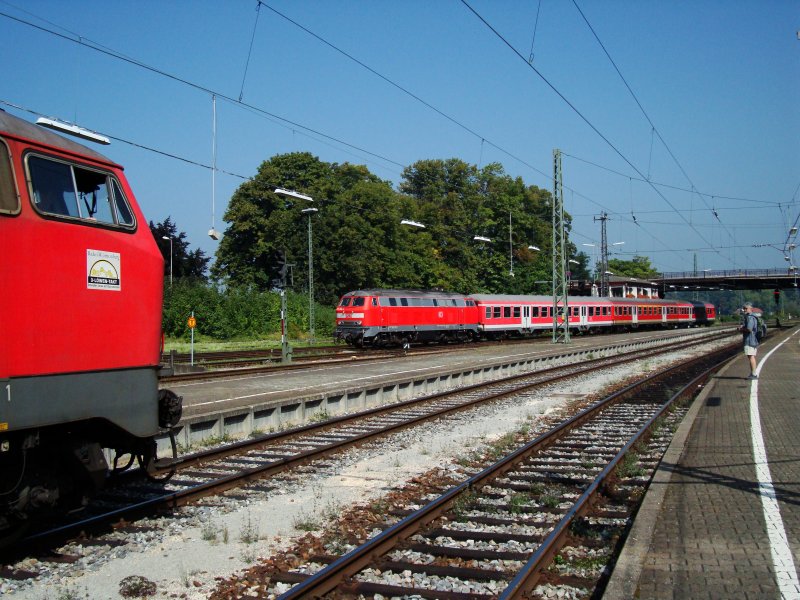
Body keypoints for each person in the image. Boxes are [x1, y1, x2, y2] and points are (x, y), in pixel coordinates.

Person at [740, 302, 759, 379]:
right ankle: (752, 373)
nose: (744, 310)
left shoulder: (750, 317)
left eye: (745, 308)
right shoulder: (751, 317)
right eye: (743, 308)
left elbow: (749, 329)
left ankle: (754, 374)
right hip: (751, 340)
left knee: (751, 357)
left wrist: (741, 329)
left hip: (750, 340)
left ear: (750, 309)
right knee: (751, 356)